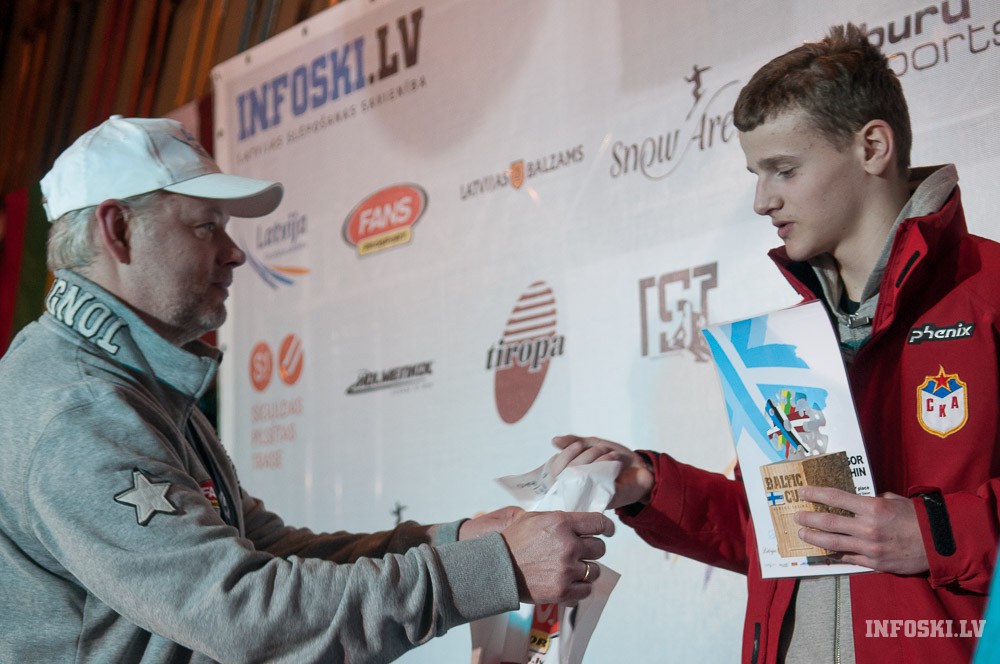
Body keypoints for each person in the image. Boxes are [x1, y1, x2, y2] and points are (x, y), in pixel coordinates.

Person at [0, 115, 614, 663]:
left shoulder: (133, 380)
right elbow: (244, 615)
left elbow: (263, 551)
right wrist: (494, 568)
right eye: (207, 227)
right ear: (117, 229)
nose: (235, 253)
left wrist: (450, 542)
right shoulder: (78, 407)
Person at [552, 24, 999, 664]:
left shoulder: (989, 295)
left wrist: (936, 534)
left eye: (783, 170)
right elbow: (776, 532)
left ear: (872, 147)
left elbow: (933, 534)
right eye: (756, 174)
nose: (763, 201)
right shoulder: (789, 338)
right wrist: (649, 485)